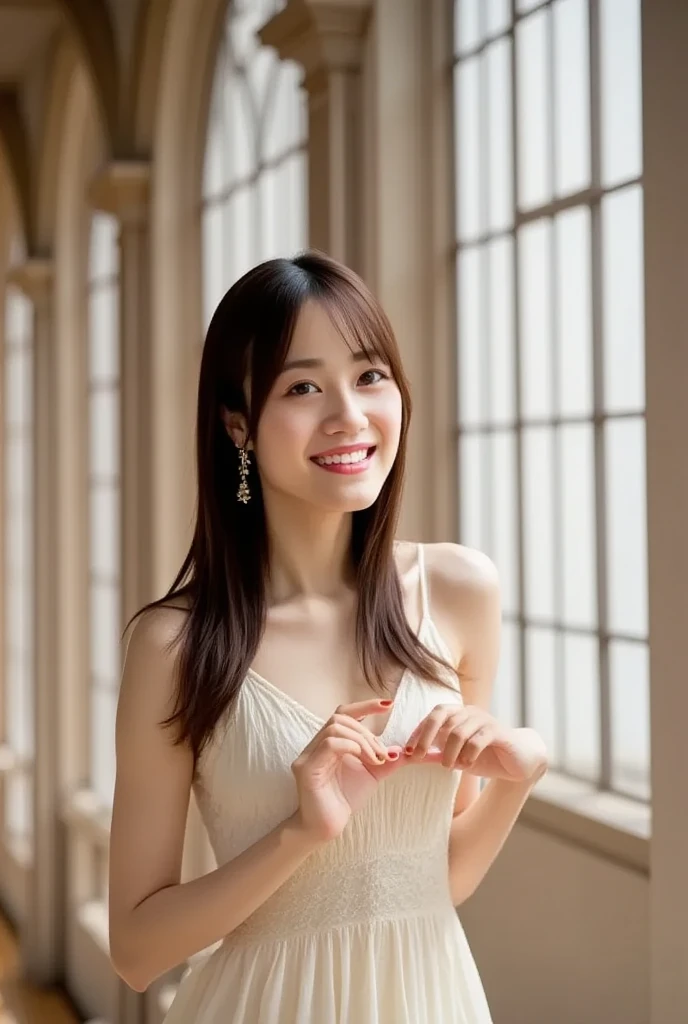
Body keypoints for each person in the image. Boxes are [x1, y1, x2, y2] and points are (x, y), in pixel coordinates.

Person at [108, 250, 548, 1023]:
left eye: (370, 375)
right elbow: (137, 952)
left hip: (432, 1000)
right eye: (303, 386)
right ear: (237, 420)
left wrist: (518, 777)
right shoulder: (175, 646)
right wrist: (302, 831)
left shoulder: (457, 592)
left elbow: (434, 879)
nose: (350, 414)